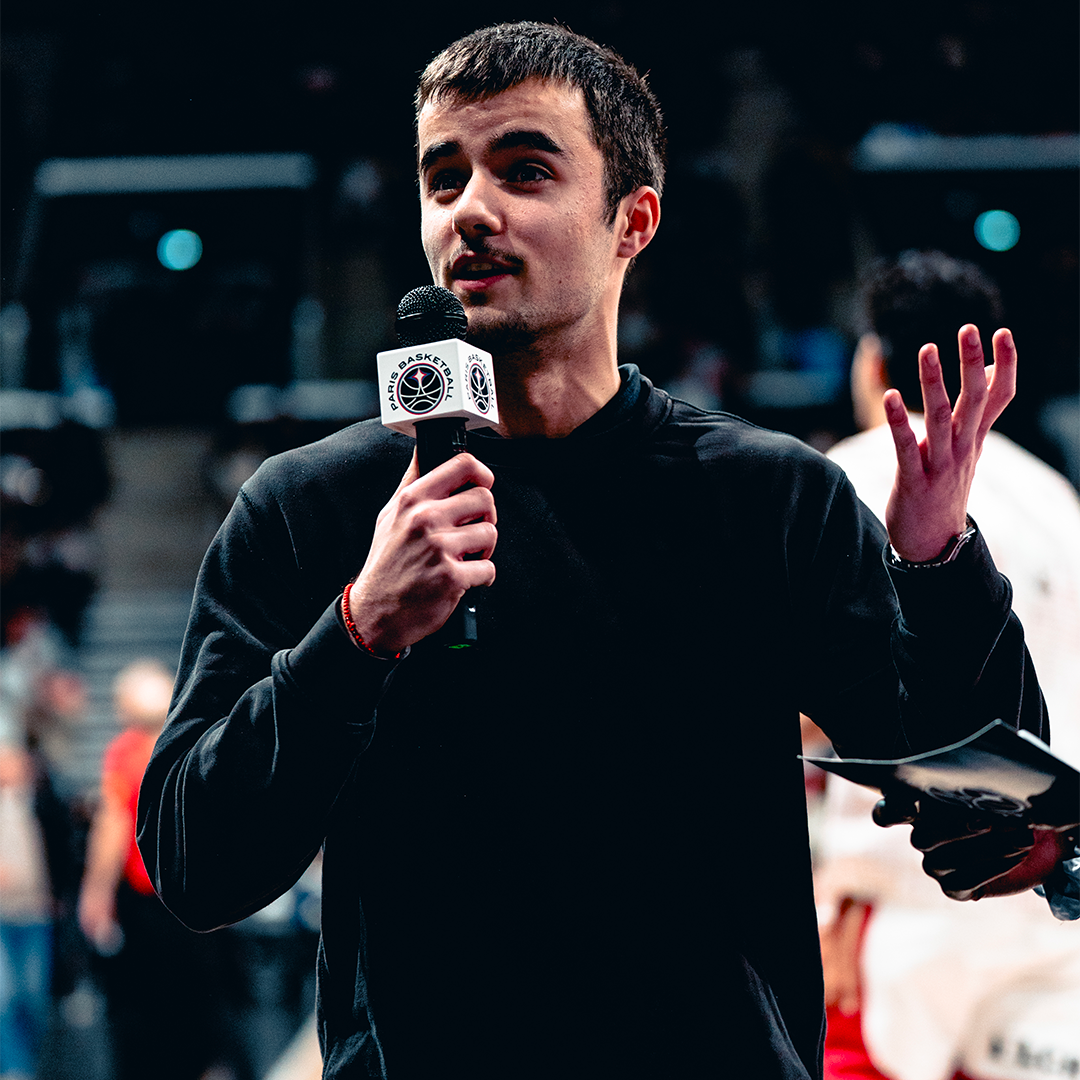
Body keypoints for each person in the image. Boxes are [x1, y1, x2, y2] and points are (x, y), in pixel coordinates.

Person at [137, 23, 1053, 1080]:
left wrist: (937, 561)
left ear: (633, 221)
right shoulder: (311, 507)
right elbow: (195, 865)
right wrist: (356, 634)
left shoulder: (769, 497)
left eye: (524, 170)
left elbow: (986, 821)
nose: (470, 209)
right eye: (444, 178)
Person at [815, 250, 1080, 1080]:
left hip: (905, 900)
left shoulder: (838, 480)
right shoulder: (1058, 499)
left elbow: (805, 712)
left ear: (874, 364)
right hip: (1046, 902)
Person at [80, 659, 230, 1080]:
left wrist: (95, 893)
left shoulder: (126, 752)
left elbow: (112, 827)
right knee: (199, 1006)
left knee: (143, 1005)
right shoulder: (196, 743)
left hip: (147, 902)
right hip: (196, 896)